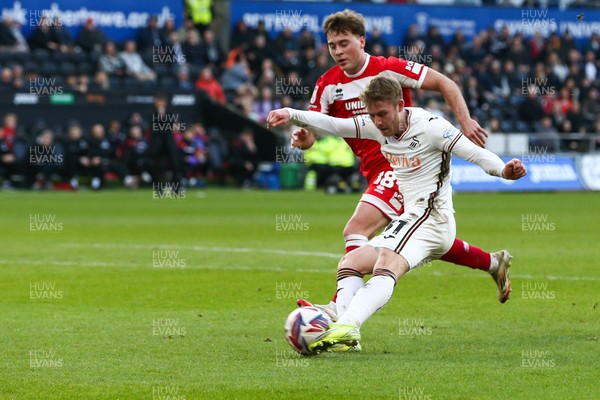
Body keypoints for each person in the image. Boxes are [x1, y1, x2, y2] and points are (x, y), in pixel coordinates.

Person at [270, 10, 509, 314]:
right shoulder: (327, 84)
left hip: (402, 165)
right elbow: (317, 126)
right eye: (332, 45)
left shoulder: (389, 69)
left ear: (362, 40)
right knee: (431, 240)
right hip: (373, 171)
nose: (338, 51)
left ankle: (339, 309)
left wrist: (466, 120)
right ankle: (492, 261)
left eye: (344, 43)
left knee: (355, 230)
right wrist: (304, 138)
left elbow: (445, 83)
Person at [267, 74, 527, 352]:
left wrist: (502, 170)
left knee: (387, 263)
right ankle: (342, 322)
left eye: (382, 114)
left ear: (400, 104)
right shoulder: (375, 126)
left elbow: (473, 152)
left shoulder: (431, 127)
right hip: (414, 218)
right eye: (372, 115)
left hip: (432, 216)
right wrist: (290, 113)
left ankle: (349, 326)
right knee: (351, 262)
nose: (378, 121)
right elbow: (334, 124)